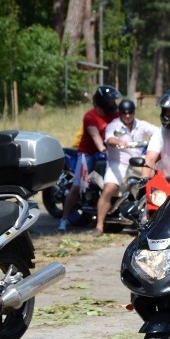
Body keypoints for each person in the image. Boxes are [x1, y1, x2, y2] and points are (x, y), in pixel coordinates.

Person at [57, 84, 121, 232]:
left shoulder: (115, 115)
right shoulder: (90, 116)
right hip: (87, 153)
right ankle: (63, 219)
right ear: (103, 101)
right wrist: (103, 149)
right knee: (77, 185)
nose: (113, 104)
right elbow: (95, 136)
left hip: (107, 152)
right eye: (111, 101)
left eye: (114, 101)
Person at [93, 99, 156, 236]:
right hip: (118, 163)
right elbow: (109, 138)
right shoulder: (114, 125)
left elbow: (157, 132)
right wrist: (120, 142)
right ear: (120, 113)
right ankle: (99, 224)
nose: (128, 116)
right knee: (109, 189)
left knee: (154, 183)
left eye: (130, 113)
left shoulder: (141, 124)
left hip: (137, 163)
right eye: (124, 113)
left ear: (134, 112)